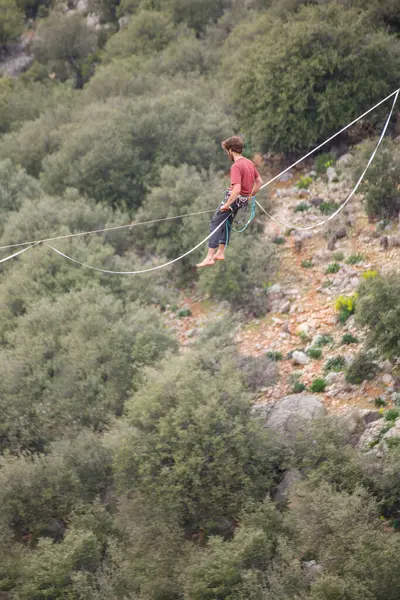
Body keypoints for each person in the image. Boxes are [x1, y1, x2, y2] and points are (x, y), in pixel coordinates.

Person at [196, 136, 263, 268]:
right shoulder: (249, 163)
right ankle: (220, 252)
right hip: (241, 202)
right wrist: (250, 195)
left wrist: (226, 205)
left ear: (231, 150)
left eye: (227, 150)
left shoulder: (236, 166)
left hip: (233, 200)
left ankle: (209, 256)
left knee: (215, 223)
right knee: (226, 223)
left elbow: (236, 189)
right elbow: (259, 182)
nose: (227, 153)